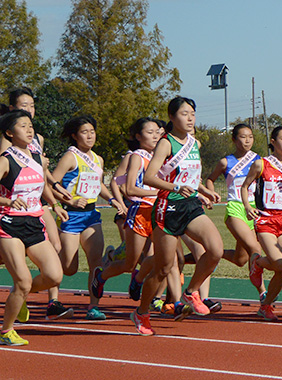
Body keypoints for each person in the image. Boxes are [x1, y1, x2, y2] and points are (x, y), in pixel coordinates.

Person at [131, 96, 224, 336]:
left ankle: (191, 291)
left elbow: (191, 177)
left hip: (190, 205)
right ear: (172, 118)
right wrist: (174, 188)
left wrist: (205, 191)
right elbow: (149, 177)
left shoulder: (194, 143)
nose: (190, 118)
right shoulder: (165, 143)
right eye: (184, 113)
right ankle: (141, 312)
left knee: (215, 250)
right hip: (167, 207)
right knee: (162, 269)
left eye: (193, 113)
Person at [0, 110, 67, 345]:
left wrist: (55, 204)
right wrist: (7, 201)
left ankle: (20, 298)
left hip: (33, 221)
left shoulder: (38, 158)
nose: (29, 130)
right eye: (22, 126)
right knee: (23, 280)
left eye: (31, 126)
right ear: (9, 133)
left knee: (53, 275)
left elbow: (42, 183)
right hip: (8, 224)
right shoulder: (5, 160)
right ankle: (6, 331)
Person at [52, 115, 125, 320]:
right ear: (75, 136)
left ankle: (93, 307)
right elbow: (51, 184)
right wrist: (70, 201)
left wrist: (112, 200)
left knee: (95, 263)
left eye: (92, 131)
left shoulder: (97, 159)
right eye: (85, 132)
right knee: (69, 268)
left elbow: (98, 184)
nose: (90, 135)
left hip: (92, 216)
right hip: (71, 215)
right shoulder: (70, 157)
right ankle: (50, 260)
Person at [91, 118, 163, 301]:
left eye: (157, 132)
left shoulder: (162, 156)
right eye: (150, 132)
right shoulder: (136, 156)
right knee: (130, 263)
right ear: (138, 136)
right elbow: (127, 187)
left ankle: (141, 283)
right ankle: (101, 276)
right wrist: (120, 202)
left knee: (164, 256)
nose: (155, 136)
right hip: (139, 211)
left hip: (158, 213)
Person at [241, 126, 282, 321]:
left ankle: (266, 306)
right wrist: (248, 207)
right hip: (266, 218)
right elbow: (244, 186)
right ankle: (258, 262)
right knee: (279, 262)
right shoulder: (261, 164)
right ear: (273, 141)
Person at [205, 123, 267, 305]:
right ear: (234, 139)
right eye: (243, 136)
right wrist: (210, 194)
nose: (247, 140)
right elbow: (210, 179)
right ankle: (263, 292)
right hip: (235, 209)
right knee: (256, 249)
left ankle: (212, 255)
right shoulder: (226, 161)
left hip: (254, 210)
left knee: (240, 259)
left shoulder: (258, 160)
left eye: (250, 137)